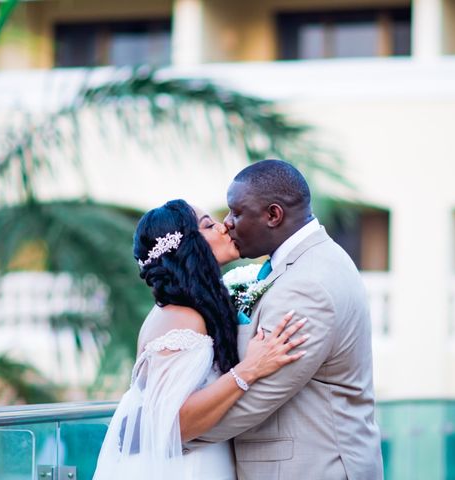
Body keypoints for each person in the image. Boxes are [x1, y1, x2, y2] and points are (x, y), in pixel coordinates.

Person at [193, 160, 384, 479]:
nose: (227, 224)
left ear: (273, 215)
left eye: (236, 212)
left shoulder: (308, 285)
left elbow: (256, 398)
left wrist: (170, 433)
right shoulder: (310, 262)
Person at [93, 199, 308, 480]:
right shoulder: (181, 319)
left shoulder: (188, 309)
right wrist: (251, 368)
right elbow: (174, 424)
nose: (224, 227)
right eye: (209, 225)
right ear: (187, 246)